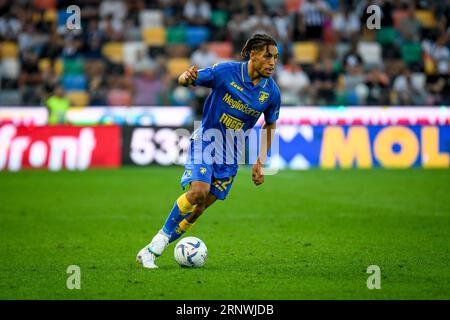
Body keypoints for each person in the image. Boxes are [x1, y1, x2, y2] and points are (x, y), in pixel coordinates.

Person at [136, 33, 281, 269]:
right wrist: (185, 76)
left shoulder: (271, 92)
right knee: (198, 193)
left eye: (275, 58)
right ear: (252, 55)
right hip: (207, 141)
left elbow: (270, 123)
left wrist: (260, 161)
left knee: (198, 210)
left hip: (231, 155)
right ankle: (156, 247)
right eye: (267, 56)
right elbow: (187, 79)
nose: (272, 62)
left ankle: (147, 250)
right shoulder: (226, 72)